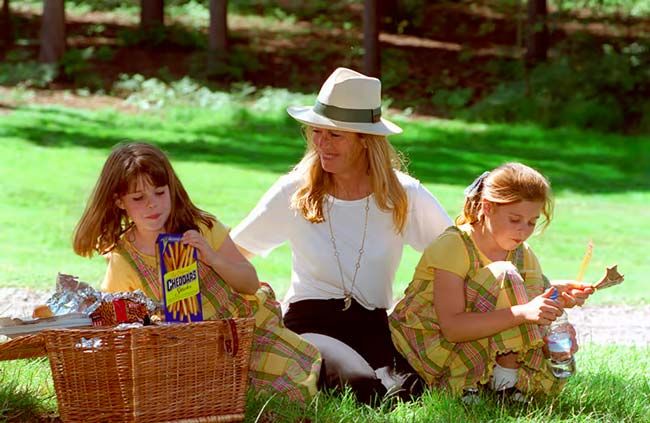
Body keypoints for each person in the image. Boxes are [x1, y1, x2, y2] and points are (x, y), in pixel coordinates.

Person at [231, 67, 453, 403]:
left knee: (409, 391)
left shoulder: (404, 196)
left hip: (374, 322)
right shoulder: (295, 190)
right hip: (310, 322)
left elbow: (455, 255)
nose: (321, 143)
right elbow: (235, 251)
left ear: (365, 141)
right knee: (361, 385)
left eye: (335, 135)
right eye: (317, 132)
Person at [72, 142, 321, 402]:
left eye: (159, 192)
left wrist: (212, 259)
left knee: (290, 380)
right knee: (186, 396)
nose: (152, 205)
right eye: (138, 198)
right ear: (118, 201)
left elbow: (249, 283)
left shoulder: (201, 227)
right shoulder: (125, 258)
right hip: (185, 352)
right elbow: (116, 320)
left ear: (171, 189)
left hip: (239, 333)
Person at [388, 162, 594, 403]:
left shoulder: (522, 253)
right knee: (505, 274)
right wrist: (523, 312)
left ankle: (501, 381)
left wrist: (554, 297)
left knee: (548, 334)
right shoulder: (454, 245)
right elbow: (453, 328)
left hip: (477, 338)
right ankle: (498, 385)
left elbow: (526, 303)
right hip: (431, 346)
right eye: (515, 219)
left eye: (531, 221)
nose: (523, 231)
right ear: (487, 207)